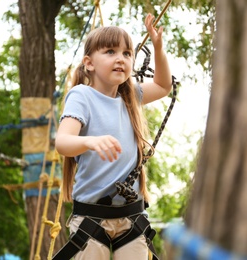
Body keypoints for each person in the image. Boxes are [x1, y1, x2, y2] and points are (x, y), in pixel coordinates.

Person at [54, 13, 172, 260]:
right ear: (89, 63)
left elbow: (163, 85)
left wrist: (158, 47)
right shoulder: (82, 96)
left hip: (130, 216)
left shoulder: (131, 97)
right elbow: (63, 142)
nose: (121, 58)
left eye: (127, 54)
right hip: (91, 217)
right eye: (110, 52)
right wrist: (90, 141)